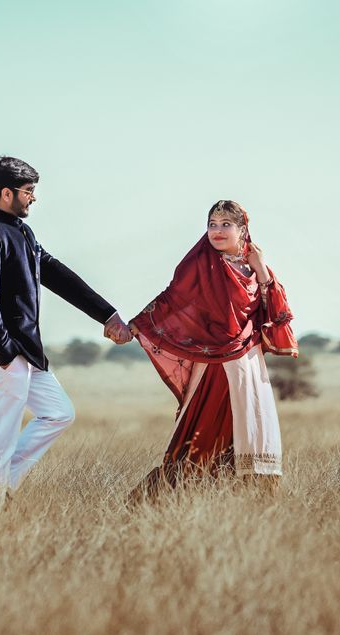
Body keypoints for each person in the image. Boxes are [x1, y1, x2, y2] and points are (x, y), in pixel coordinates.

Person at [0, 156, 132, 515]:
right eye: (28, 191)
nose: (33, 198)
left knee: (58, 413)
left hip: (27, 353)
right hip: (1, 355)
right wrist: (6, 356)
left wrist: (107, 314)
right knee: (0, 439)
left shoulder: (21, 230)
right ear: (7, 193)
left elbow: (53, 272)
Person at [128, 200, 298, 500]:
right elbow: (173, 299)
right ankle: (163, 499)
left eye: (225, 224)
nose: (217, 231)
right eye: (212, 224)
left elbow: (274, 313)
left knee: (248, 430)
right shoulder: (199, 264)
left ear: (242, 230)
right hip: (212, 363)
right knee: (202, 434)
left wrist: (261, 270)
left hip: (248, 363)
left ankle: (244, 502)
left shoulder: (254, 267)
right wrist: (139, 324)